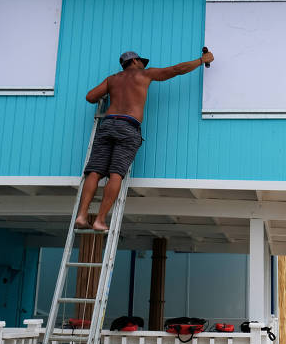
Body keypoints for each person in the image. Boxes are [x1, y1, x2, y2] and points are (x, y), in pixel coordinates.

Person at [75, 50, 214, 231]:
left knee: (94, 172)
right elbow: (176, 70)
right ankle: (100, 220)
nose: (144, 65)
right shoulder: (144, 74)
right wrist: (201, 60)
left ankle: (81, 215)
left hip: (108, 124)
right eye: (142, 62)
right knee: (116, 174)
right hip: (128, 126)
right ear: (134, 61)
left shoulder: (112, 79)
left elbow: (90, 97)